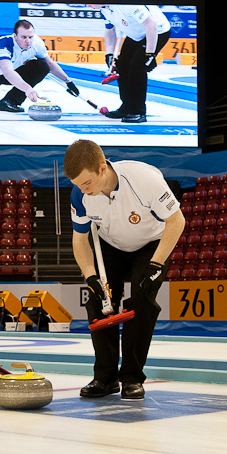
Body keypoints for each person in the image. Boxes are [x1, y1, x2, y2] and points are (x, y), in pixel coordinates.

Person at [64, 139, 185, 399]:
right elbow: (80, 239)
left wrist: (156, 265)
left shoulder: (144, 180)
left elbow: (176, 220)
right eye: (77, 185)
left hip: (150, 243)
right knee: (98, 302)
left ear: (102, 169)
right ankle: (105, 378)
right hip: (110, 244)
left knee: (141, 300)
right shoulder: (80, 194)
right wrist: (90, 276)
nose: (83, 190)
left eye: (87, 183)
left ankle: (131, 377)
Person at [0, 20, 80, 113]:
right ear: (15, 35)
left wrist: (68, 82)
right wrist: (28, 89)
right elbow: (7, 72)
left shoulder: (37, 42)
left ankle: (9, 102)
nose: (28, 41)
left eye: (30, 37)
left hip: (14, 72)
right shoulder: (4, 45)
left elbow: (50, 64)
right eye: (23, 37)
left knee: (42, 66)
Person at [86, 5, 171, 123]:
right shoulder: (104, 9)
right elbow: (110, 31)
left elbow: (151, 25)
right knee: (121, 67)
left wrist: (149, 54)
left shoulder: (128, 5)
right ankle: (127, 107)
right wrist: (109, 54)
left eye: (90, 2)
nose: (87, 5)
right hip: (137, 35)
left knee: (138, 67)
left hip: (157, 32)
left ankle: (138, 111)